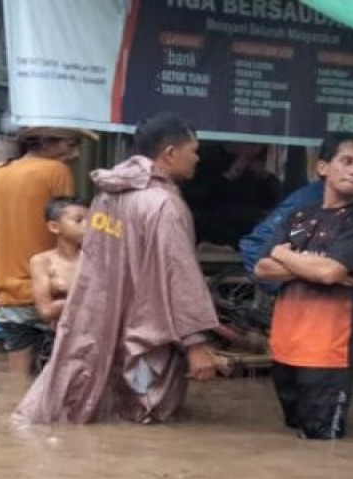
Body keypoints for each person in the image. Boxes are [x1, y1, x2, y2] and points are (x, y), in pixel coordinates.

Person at [14, 113, 220, 425]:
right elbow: (180, 277)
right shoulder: (164, 205)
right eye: (193, 150)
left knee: (99, 415)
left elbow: (94, 266)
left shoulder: (106, 197)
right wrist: (196, 345)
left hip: (101, 332)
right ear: (170, 153)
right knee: (146, 424)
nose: (198, 158)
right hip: (147, 340)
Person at [254, 133, 353, 440]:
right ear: (323, 167)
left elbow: (329, 272)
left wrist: (285, 255)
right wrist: (305, 264)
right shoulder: (298, 214)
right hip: (285, 346)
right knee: (293, 432)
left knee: (322, 441)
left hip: (329, 352)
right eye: (348, 161)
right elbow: (263, 268)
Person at [0, 126, 94, 374]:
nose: (74, 154)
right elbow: (69, 224)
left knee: (17, 382)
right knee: (58, 380)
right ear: (46, 143)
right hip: (52, 288)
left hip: (8, 293)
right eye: (71, 145)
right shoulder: (57, 171)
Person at [27, 197, 90, 374]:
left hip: (93, 339)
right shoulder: (42, 261)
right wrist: (86, 297)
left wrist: (69, 294)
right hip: (58, 340)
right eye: (79, 220)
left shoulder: (96, 259)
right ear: (55, 227)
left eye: (91, 220)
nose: (87, 225)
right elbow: (46, 310)